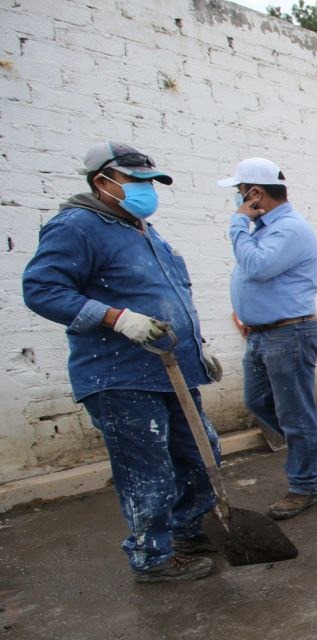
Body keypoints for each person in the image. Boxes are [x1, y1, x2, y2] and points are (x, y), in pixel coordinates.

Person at [22, 142, 219, 583]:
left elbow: (172, 294)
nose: (148, 190)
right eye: (137, 181)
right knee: (148, 472)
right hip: (121, 374)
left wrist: (197, 345)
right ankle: (152, 556)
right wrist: (116, 318)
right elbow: (42, 290)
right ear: (103, 181)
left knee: (200, 453)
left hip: (173, 370)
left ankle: (188, 532)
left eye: (152, 182)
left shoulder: (143, 230)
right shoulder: (76, 227)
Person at [218, 157, 317, 520]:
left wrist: (238, 222)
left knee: (294, 413)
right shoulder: (264, 229)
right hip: (264, 334)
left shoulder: (289, 229)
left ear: (255, 193)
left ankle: (303, 485)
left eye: (240, 191)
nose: (238, 198)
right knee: (259, 402)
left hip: (288, 334)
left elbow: (257, 267)